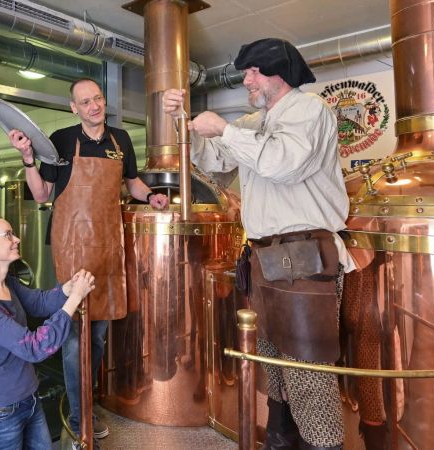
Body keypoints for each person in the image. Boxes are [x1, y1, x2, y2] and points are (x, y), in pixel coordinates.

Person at [163, 38, 354, 450]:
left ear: (278, 74)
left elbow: (283, 163)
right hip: (267, 258)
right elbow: (213, 159)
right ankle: (280, 441)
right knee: (276, 370)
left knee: (308, 372)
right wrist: (184, 122)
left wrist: (226, 129)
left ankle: (322, 445)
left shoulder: (309, 111)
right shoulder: (254, 121)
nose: (245, 79)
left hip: (305, 257)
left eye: (252, 71)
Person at [9, 77, 168, 447]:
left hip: (108, 245)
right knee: (75, 336)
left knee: (97, 335)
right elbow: (41, 193)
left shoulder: (121, 140)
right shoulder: (62, 140)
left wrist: (152, 197)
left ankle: (84, 399)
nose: (94, 106)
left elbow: (132, 183)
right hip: (71, 246)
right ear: (74, 108)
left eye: (97, 98)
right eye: (85, 101)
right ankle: (81, 414)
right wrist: (28, 158)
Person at [0, 216, 95, 449]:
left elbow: (39, 302)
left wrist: (68, 289)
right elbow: (34, 347)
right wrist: (76, 299)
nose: (16, 239)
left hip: (29, 401)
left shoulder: (7, 283)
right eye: (8, 235)